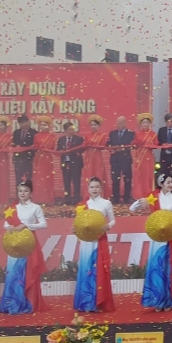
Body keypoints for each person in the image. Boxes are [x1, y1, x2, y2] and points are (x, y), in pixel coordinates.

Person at [130, 174, 172, 311]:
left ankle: (169, 301)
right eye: (168, 182)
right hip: (157, 238)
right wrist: (141, 201)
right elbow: (132, 209)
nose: (171, 185)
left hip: (171, 236)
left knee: (169, 268)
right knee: (157, 268)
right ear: (161, 184)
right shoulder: (153, 197)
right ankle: (157, 300)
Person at [0, 181, 49, 314]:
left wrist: (27, 226)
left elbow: (43, 224)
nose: (22, 193)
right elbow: (5, 224)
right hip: (14, 244)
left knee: (27, 272)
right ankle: (12, 304)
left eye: (26, 191)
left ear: (31, 193)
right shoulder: (12, 208)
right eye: (20, 191)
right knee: (13, 272)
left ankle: (27, 303)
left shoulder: (35, 207)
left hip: (28, 243)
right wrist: (9, 227)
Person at [74, 177, 116, 312]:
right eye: (92, 187)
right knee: (86, 269)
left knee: (99, 270)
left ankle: (99, 302)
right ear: (88, 189)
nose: (94, 189)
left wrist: (108, 226)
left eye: (97, 187)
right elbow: (79, 223)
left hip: (99, 240)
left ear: (101, 188)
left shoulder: (106, 203)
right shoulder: (82, 205)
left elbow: (112, 220)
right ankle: (86, 303)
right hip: (86, 241)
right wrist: (76, 229)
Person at [107, 117, 135, 204]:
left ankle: (127, 198)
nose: (119, 125)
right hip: (115, 160)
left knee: (127, 179)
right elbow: (108, 144)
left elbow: (132, 145)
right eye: (118, 123)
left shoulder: (131, 133)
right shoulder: (112, 133)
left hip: (126, 159)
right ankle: (115, 198)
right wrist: (111, 149)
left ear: (125, 123)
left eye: (121, 123)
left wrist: (122, 149)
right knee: (115, 179)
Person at [81, 115, 109, 200]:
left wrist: (94, 145)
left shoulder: (102, 135)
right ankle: (88, 195)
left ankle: (100, 195)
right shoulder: (87, 136)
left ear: (98, 126)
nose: (93, 126)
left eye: (95, 125)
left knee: (98, 174)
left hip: (97, 158)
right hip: (89, 158)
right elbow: (84, 146)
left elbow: (103, 146)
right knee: (89, 175)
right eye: (92, 125)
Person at [31, 117, 57, 204]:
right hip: (38, 158)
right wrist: (38, 147)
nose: (42, 126)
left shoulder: (52, 136)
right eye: (41, 125)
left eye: (44, 125)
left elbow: (52, 147)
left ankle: (48, 199)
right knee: (38, 178)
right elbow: (35, 146)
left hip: (47, 158)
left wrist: (45, 148)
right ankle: (38, 198)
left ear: (48, 126)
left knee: (47, 178)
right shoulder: (36, 136)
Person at [57, 122, 84, 204]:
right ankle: (67, 198)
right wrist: (62, 152)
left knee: (76, 181)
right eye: (70, 129)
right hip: (65, 163)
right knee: (66, 181)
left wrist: (73, 152)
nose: (72, 131)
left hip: (76, 163)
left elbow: (82, 149)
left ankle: (76, 199)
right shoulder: (61, 139)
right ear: (65, 131)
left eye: (73, 129)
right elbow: (58, 149)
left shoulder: (79, 139)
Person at [132, 114, 157, 200]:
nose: (145, 124)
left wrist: (149, 145)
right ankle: (139, 194)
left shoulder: (153, 134)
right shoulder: (137, 134)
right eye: (143, 123)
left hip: (149, 157)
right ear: (141, 124)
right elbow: (134, 145)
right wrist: (136, 144)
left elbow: (156, 145)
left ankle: (149, 194)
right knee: (139, 175)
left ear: (149, 124)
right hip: (139, 158)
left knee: (148, 175)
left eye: (147, 122)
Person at [11, 116, 36, 188]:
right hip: (18, 158)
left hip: (29, 159)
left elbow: (35, 146)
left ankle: (30, 193)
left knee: (29, 178)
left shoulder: (34, 133)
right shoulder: (16, 132)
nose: (24, 124)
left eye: (25, 122)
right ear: (19, 124)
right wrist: (16, 146)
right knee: (18, 178)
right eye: (21, 123)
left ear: (28, 122)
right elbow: (13, 143)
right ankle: (19, 193)